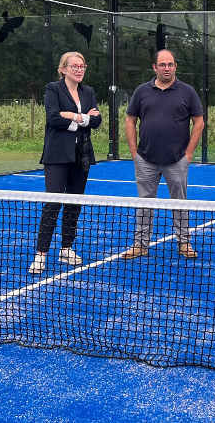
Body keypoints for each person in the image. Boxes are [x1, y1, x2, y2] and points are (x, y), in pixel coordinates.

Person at [120, 49, 204, 259]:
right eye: (163, 65)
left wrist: (189, 154)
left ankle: (184, 243)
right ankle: (140, 244)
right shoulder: (141, 91)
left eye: (170, 64)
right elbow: (130, 120)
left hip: (177, 161)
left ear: (175, 66)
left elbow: (199, 122)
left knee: (180, 203)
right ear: (154, 67)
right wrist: (133, 152)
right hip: (145, 159)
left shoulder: (187, 92)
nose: (167, 68)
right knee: (145, 204)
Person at [29, 51, 102, 273]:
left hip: (82, 155)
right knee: (53, 204)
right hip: (57, 155)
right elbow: (53, 118)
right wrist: (82, 118)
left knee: (74, 204)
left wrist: (71, 116)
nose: (79, 70)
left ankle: (66, 248)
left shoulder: (88, 91)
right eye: (74, 66)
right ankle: (40, 254)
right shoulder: (53, 89)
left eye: (82, 66)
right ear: (63, 69)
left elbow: (97, 120)